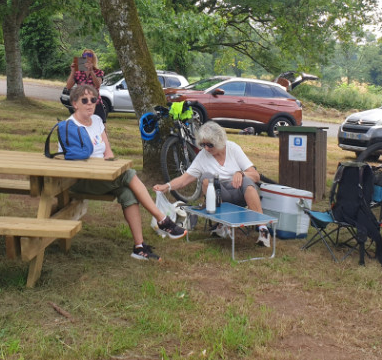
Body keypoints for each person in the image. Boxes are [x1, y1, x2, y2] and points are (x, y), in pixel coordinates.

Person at [65, 83, 185, 261]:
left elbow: (108, 152)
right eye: (84, 100)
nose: (90, 103)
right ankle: (162, 220)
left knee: (127, 193)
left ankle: (139, 247)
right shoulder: (69, 127)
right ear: (75, 103)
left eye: (93, 99)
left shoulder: (97, 121)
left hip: (103, 176)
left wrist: (108, 166)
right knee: (129, 174)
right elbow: (70, 162)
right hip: (82, 179)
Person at [154, 120, 270, 246]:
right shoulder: (203, 156)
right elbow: (184, 179)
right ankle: (222, 223)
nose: (206, 148)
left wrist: (241, 174)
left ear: (219, 141)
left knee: (247, 181)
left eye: (210, 145)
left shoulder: (233, 148)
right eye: (203, 144)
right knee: (207, 179)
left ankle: (263, 230)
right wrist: (167, 186)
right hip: (219, 196)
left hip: (239, 193)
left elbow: (256, 176)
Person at [66, 49, 106, 122]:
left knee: (101, 126)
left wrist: (91, 71)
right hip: (82, 103)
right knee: (82, 126)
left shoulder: (98, 72)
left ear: (93, 58)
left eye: (89, 55)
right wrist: (73, 71)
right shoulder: (78, 73)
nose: (87, 57)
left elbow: (97, 85)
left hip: (96, 103)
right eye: (85, 55)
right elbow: (68, 86)